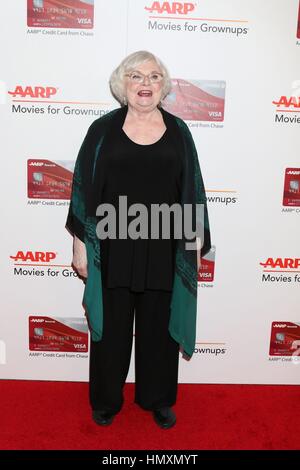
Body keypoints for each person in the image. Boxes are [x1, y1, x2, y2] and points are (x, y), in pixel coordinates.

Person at [66, 50, 211, 429]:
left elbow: (193, 190)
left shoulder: (180, 132)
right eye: (135, 76)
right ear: (122, 84)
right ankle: (106, 399)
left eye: (153, 77)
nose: (144, 84)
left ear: (163, 86)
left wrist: (194, 245)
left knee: (159, 329)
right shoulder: (101, 130)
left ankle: (157, 398)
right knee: (111, 329)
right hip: (112, 245)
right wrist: (80, 242)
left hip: (163, 244)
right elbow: (81, 188)